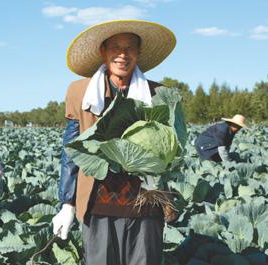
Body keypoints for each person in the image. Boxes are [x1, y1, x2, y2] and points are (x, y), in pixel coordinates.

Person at [52, 20, 178, 265]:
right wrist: (66, 202)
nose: (123, 54)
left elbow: (172, 147)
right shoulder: (80, 92)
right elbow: (70, 150)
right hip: (98, 204)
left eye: (130, 47)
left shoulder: (158, 94)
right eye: (116, 47)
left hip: (146, 203)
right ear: (103, 51)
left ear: (139, 53)